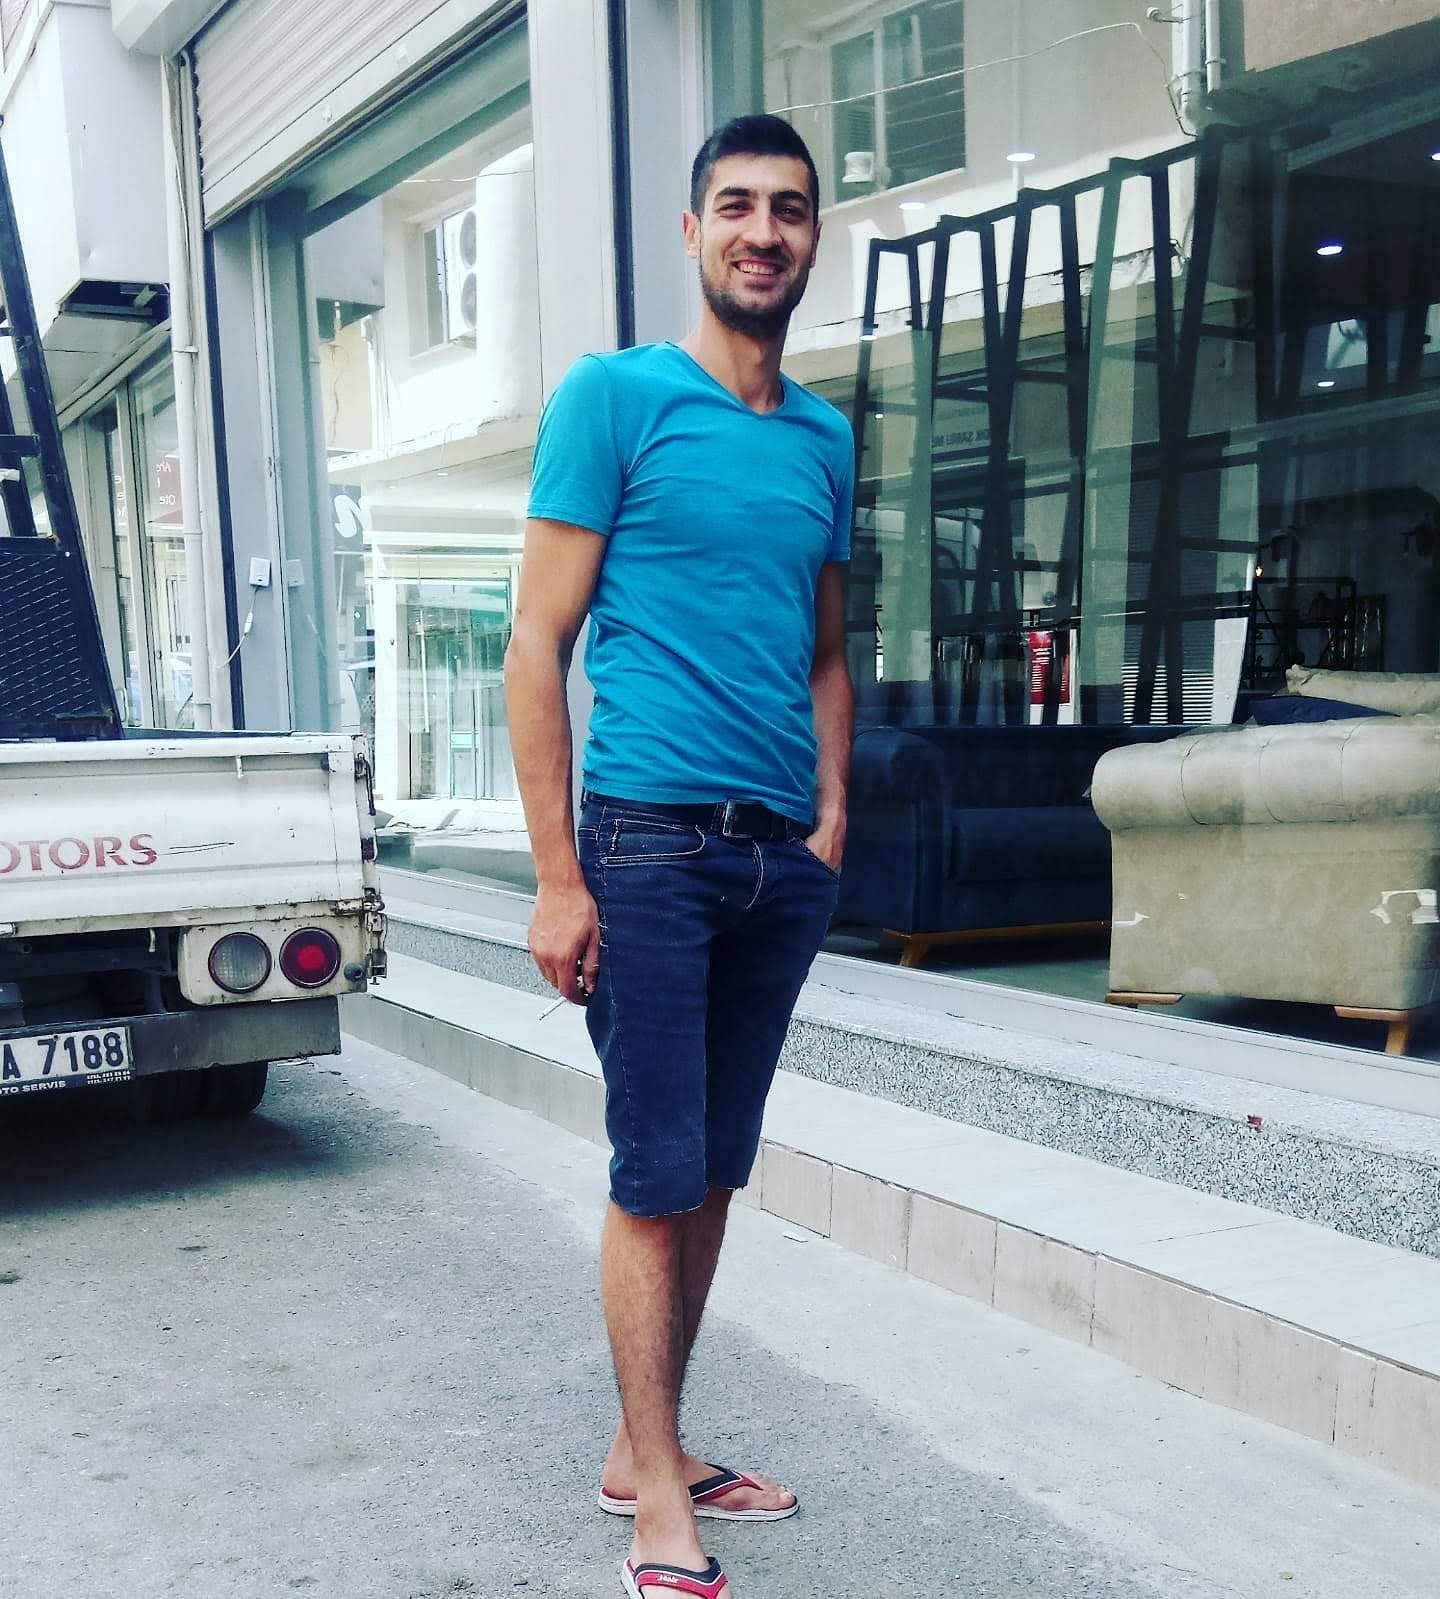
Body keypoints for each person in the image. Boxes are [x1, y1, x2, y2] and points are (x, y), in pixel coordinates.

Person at [504, 114, 854, 1599]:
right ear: (696, 230)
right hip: (646, 846)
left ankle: (641, 1448)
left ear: (813, 236)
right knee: (655, 1174)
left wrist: (831, 813)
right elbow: (536, 642)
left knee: (711, 1168)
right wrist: (557, 876)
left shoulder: (826, 438)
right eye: (738, 205)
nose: (764, 231)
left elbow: (827, 649)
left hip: (778, 864)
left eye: (790, 209)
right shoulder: (616, 398)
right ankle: (658, 1500)